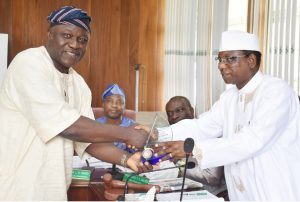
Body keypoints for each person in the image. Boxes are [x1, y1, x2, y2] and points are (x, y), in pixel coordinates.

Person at [0, 6, 150, 200]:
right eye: (67, 36)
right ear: (50, 35)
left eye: (82, 40)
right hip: (18, 190)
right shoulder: (28, 63)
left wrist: (127, 159)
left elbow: (87, 142)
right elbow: (69, 126)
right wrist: (126, 134)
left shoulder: (78, 84)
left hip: (54, 191)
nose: (75, 45)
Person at [154, 30, 300, 200]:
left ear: (251, 61)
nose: (221, 65)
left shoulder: (277, 91)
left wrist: (194, 149)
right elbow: (202, 126)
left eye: (230, 59)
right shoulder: (229, 98)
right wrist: (159, 134)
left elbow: (252, 140)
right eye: (220, 59)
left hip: (274, 191)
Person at [165, 96, 227, 196]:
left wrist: (177, 165)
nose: (173, 116)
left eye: (179, 110)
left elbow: (212, 177)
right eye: (169, 114)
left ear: (191, 111)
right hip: (188, 192)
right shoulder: (173, 137)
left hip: (215, 195)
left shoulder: (209, 132)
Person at [97, 83, 136, 153]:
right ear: (103, 104)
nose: (114, 105)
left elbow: (137, 150)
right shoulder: (94, 125)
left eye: (119, 102)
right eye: (109, 101)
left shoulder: (133, 127)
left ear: (124, 107)